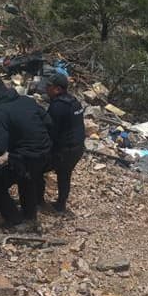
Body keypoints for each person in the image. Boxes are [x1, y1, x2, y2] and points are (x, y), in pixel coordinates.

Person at [0, 75, 52, 226]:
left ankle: (14, 219)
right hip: (45, 152)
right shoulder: (26, 100)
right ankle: (29, 216)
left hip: (25, 155)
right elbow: (48, 121)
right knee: (27, 179)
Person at [43, 73, 86, 212]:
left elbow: (51, 131)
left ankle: (37, 202)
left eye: (49, 86)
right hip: (78, 147)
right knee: (64, 175)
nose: (46, 89)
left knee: (36, 169)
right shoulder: (74, 102)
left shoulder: (58, 106)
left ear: (57, 89)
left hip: (66, 150)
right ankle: (61, 204)